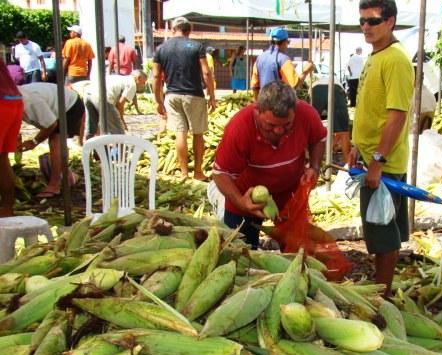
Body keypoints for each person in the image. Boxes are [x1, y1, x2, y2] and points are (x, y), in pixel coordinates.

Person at [349, 0, 415, 298]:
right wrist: (354, 145)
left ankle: (383, 296)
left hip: (384, 162)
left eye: (373, 21)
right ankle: (380, 286)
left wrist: (377, 161)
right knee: (377, 230)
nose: (366, 26)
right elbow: (367, 108)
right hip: (368, 157)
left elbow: (396, 115)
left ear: (390, 21)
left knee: (384, 232)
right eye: (362, 20)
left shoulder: (396, 60)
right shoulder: (375, 56)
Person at [212, 81, 326, 248]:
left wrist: (314, 167)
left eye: (287, 125)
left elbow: (318, 139)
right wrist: (240, 201)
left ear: (295, 111)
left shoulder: (306, 114)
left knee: (297, 251)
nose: (279, 131)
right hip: (246, 196)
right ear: (257, 111)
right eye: (270, 125)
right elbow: (220, 173)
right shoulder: (240, 127)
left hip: (290, 196)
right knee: (241, 255)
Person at [152, 17, 216, 180]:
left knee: (180, 133)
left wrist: (158, 101)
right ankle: (198, 172)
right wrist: (212, 95)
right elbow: (206, 72)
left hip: (172, 95)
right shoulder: (196, 46)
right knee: (198, 133)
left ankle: (183, 173)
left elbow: (155, 76)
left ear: (173, 30)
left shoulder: (161, 49)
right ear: (188, 31)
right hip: (194, 94)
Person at [17, 82, 85, 198]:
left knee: (55, 140)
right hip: (55, 103)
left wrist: (34, 142)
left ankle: (54, 185)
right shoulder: (13, 100)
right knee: (54, 139)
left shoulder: (31, 102)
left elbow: (51, 125)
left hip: (70, 105)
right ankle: (68, 175)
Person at [251, 27, 313, 99]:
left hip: (263, 104)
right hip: (279, 105)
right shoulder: (284, 60)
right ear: (284, 42)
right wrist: (305, 72)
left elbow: (255, 86)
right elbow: (294, 85)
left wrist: (258, 104)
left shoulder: (259, 59)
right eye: (287, 42)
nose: (287, 46)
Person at [84, 70, 147, 139]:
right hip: (103, 98)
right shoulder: (132, 84)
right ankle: (118, 149)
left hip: (89, 94)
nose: (143, 85)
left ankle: (90, 147)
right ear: (139, 78)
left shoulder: (121, 78)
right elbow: (120, 104)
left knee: (92, 127)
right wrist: (122, 120)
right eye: (143, 82)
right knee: (118, 132)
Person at [0, 57, 24, 217]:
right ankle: (7, 208)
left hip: (2, 103)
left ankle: (7, 209)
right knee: (2, 158)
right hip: (15, 100)